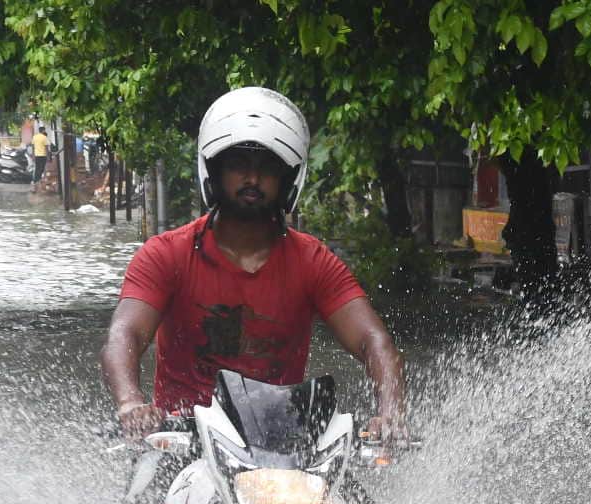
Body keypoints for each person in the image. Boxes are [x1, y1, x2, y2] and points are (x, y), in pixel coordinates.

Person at [100, 86, 407, 450]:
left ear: (288, 179)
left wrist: (390, 413)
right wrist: (131, 403)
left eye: (267, 169)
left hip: (281, 449)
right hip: (180, 443)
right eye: (238, 165)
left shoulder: (313, 261)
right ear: (213, 171)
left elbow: (374, 341)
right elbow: (124, 336)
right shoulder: (166, 254)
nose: (252, 179)